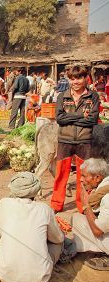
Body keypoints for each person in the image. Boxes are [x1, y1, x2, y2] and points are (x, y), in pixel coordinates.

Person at [0, 172, 64, 282]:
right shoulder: (44, 209)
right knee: (59, 242)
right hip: (40, 279)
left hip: (6, 275)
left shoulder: (3, 204)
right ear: (36, 190)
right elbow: (58, 238)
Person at [51, 65, 100, 214]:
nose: (75, 82)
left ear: (85, 78)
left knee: (83, 176)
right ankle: (56, 205)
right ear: (69, 79)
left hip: (84, 141)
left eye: (79, 78)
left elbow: (92, 120)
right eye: (72, 79)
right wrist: (80, 116)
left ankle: (82, 206)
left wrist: (70, 118)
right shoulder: (62, 96)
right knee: (61, 174)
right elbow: (59, 118)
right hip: (65, 140)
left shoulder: (93, 97)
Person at [72, 158, 109, 270]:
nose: (81, 180)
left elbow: (98, 231)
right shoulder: (103, 188)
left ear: (97, 177)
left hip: (100, 231)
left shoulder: (107, 198)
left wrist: (86, 205)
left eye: (84, 176)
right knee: (77, 218)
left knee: (77, 220)